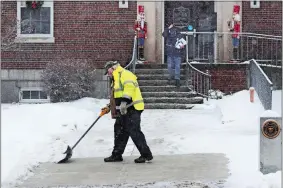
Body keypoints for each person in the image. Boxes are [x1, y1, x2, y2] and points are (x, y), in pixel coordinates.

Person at [101, 61, 153, 163]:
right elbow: (117, 97)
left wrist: (124, 102)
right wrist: (109, 107)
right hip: (123, 110)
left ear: (113, 68)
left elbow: (129, 88)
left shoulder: (125, 74)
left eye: (108, 71)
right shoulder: (116, 79)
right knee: (119, 131)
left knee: (134, 131)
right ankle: (116, 155)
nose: (108, 74)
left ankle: (146, 155)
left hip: (132, 108)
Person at [162, 22, 185, 88]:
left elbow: (183, 44)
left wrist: (182, 48)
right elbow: (163, 34)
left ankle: (177, 79)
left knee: (177, 66)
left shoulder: (179, 35)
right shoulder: (168, 33)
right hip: (170, 53)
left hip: (177, 53)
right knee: (170, 66)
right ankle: (171, 76)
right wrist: (168, 28)